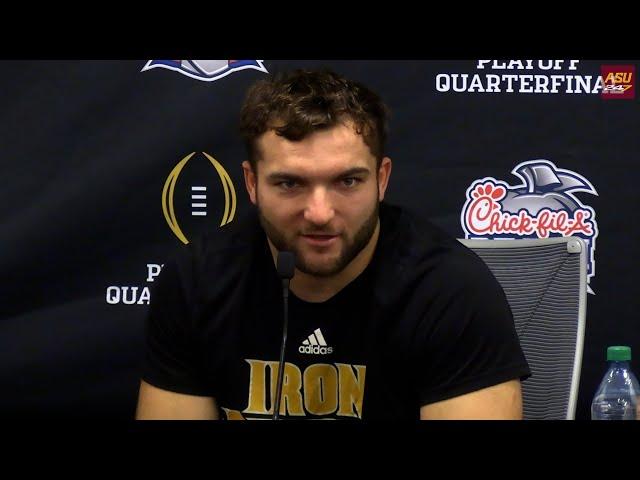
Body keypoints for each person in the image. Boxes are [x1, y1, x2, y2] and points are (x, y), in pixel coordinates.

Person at [136, 68, 530, 420]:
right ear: (252, 184)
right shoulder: (197, 281)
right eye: (290, 183)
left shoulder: (450, 290)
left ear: (382, 179)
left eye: (347, 181)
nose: (320, 213)